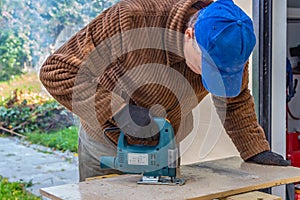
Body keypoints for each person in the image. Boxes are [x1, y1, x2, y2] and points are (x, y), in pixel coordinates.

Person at [39, 0, 289, 182]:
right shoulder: (130, 18)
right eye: (207, 67)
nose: (207, 77)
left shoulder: (231, 39)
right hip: (107, 145)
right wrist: (119, 109)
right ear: (190, 35)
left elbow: (233, 101)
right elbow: (57, 71)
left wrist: (256, 149)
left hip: (163, 147)